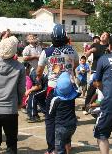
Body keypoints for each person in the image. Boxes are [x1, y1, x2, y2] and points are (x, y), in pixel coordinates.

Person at [36, 24, 79, 154]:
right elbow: (75, 64)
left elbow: (39, 71)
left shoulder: (47, 52)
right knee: (67, 117)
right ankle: (67, 145)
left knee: (50, 119)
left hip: (53, 88)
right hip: (69, 89)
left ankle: (52, 148)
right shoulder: (72, 50)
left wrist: (41, 77)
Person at [50, 72, 80, 154]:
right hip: (72, 125)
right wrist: (73, 83)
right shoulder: (73, 97)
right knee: (67, 141)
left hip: (60, 127)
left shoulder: (55, 100)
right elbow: (78, 91)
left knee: (59, 149)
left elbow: (51, 113)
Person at [83, 33, 109, 113]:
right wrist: (90, 50)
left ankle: (104, 106)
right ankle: (86, 106)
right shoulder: (95, 44)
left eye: (105, 35)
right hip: (95, 70)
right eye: (102, 35)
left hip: (106, 71)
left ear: (108, 38)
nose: (103, 36)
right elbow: (86, 55)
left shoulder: (109, 46)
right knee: (91, 89)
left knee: (104, 89)